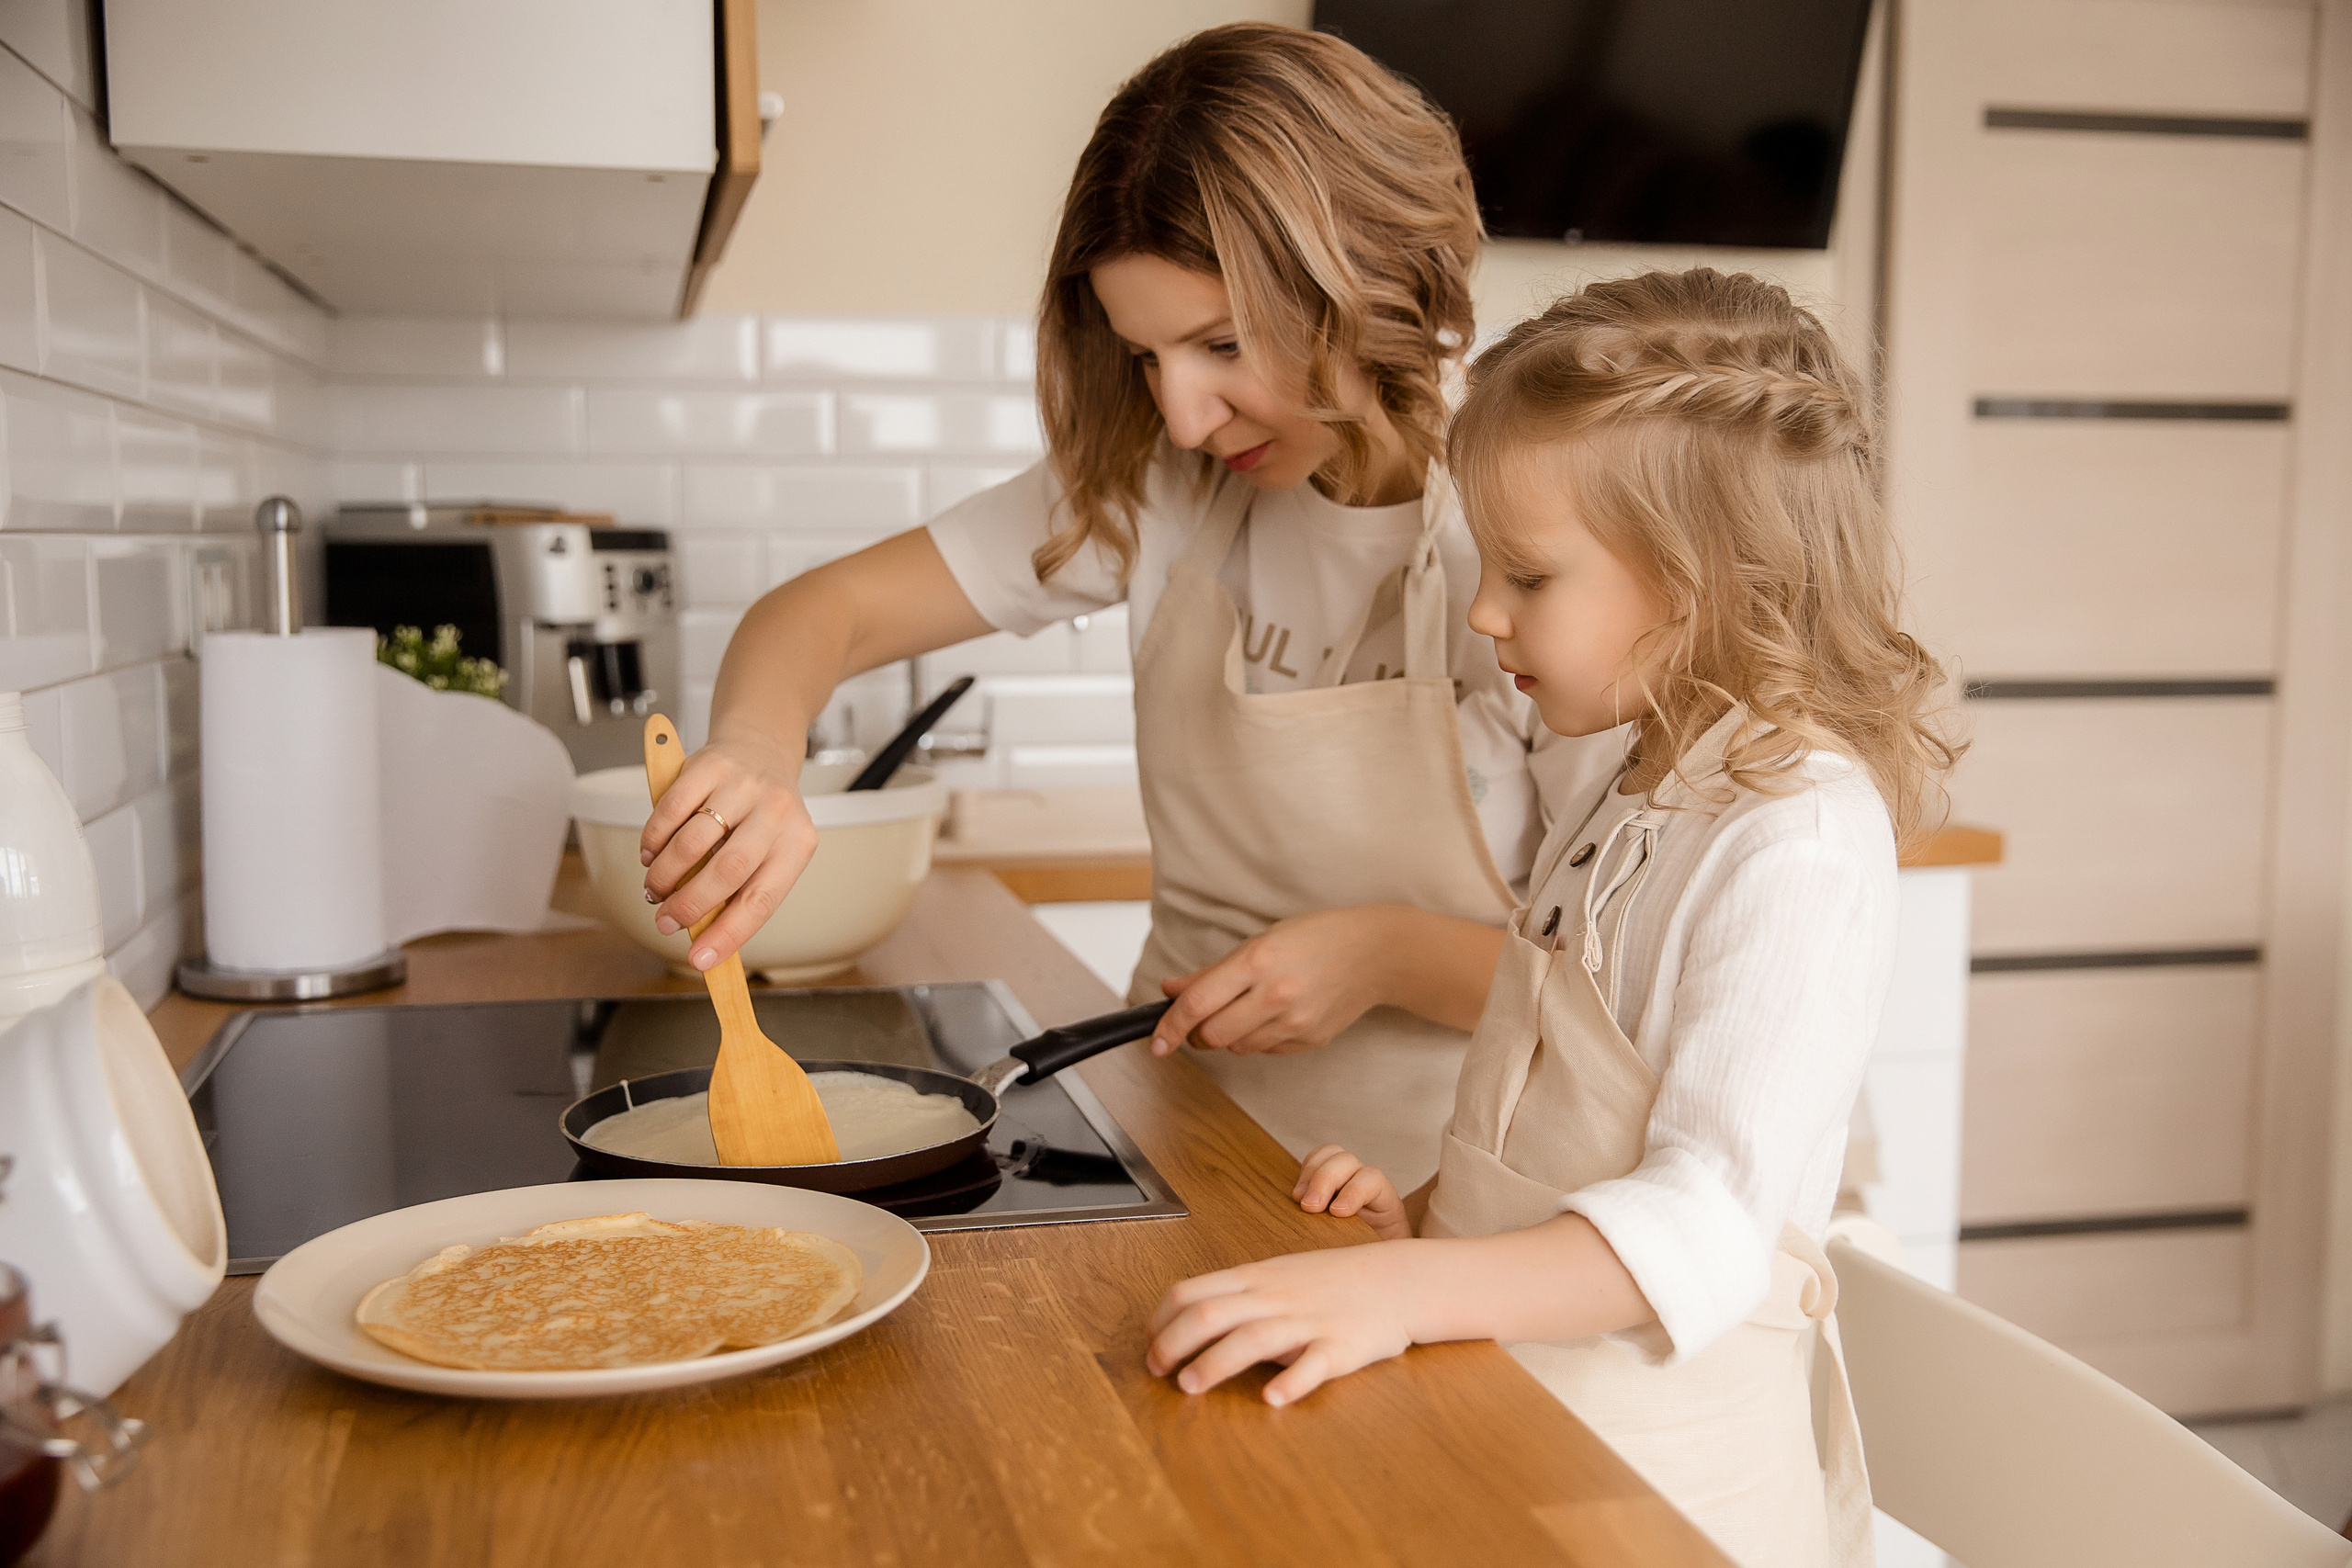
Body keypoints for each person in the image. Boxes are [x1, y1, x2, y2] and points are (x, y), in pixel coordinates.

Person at [637, 23, 1620, 1190]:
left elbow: (1621, 990)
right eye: (1146, 357)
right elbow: (825, 611)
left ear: (1373, 280)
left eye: (1220, 343)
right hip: (1180, 1146)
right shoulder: (1162, 486)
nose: (1188, 414)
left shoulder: (1530, 537)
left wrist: (1387, 957)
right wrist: (757, 749)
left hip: (1446, 1199)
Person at [1144, 268, 1962, 1568]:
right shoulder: (1642, 772)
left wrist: (1405, 1292)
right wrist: (1424, 1213)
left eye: (1527, 573)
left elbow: (1701, 1221)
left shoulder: (1798, 838)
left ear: (1709, 583)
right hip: (1522, 1444)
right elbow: (1563, 1116)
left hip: (1668, 1505)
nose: (1482, 611)